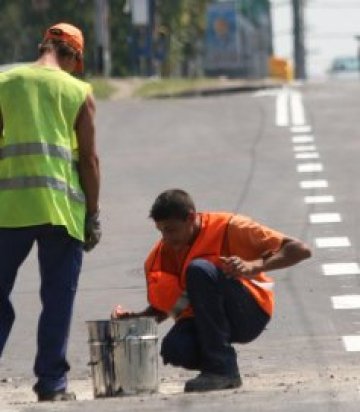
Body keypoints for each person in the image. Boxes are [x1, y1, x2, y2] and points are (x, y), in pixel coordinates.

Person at [112, 189, 311, 393]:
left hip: (249, 313)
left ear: (191, 217)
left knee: (199, 269)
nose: (166, 238)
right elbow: (175, 305)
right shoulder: (161, 255)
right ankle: (224, 365)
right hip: (209, 319)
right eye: (161, 231)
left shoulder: (230, 227)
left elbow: (300, 249)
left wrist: (254, 265)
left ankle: (221, 369)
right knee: (174, 348)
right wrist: (139, 319)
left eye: (171, 230)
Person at [0, 23, 101, 402]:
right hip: (62, 211)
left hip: (7, 210)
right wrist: (93, 213)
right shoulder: (78, 91)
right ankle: (52, 384)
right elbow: (89, 161)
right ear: (73, 56)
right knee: (57, 298)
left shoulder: (5, 83)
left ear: (42, 46)